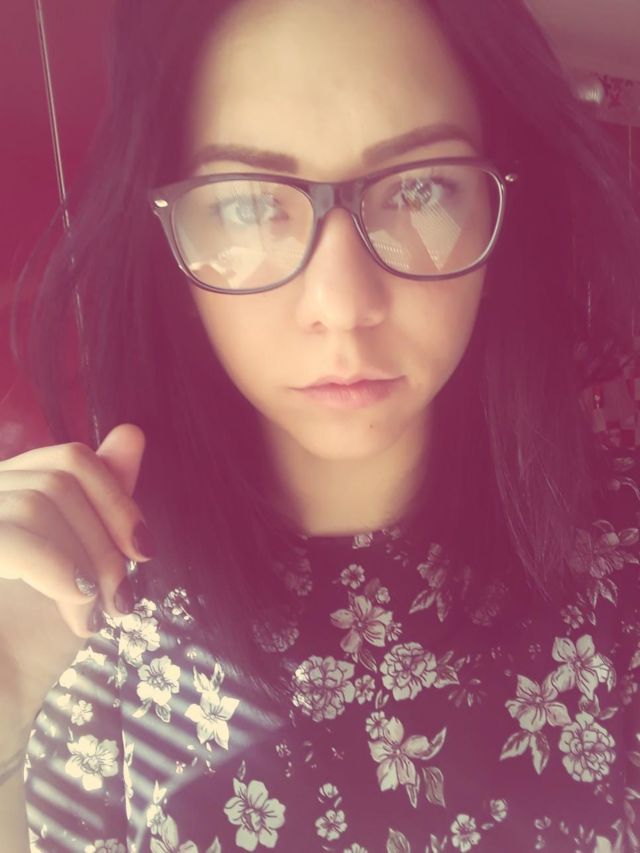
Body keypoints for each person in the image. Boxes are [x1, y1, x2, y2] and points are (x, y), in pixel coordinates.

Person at [1, 0, 639, 849]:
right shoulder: (86, 624)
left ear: (500, 214)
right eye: (246, 206)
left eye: (420, 188)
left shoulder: (620, 569)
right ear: (167, 247)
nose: (343, 305)